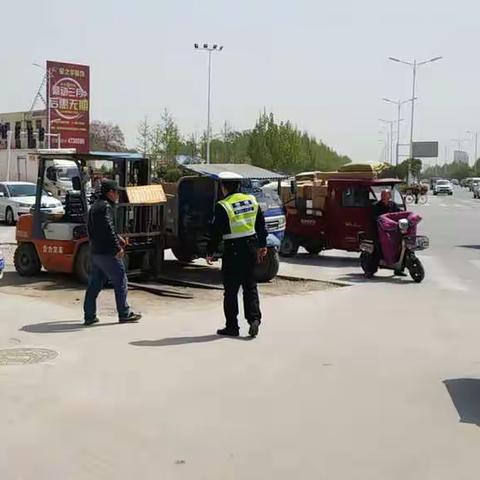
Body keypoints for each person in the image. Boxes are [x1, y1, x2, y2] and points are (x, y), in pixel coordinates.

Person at [206, 174, 268, 338]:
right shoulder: (252, 200)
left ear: (223, 187)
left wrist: (210, 251)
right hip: (251, 247)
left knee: (231, 291)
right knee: (250, 286)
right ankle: (254, 319)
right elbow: (261, 225)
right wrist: (262, 245)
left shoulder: (223, 206)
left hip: (232, 250)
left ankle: (232, 327)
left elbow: (216, 232)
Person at [83, 179, 142, 326]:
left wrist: (119, 238)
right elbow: (108, 229)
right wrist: (117, 248)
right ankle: (124, 313)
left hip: (96, 252)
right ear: (110, 192)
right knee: (121, 279)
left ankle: (89, 316)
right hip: (108, 252)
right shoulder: (106, 208)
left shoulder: (94, 207)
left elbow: (93, 229)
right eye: (116, 192)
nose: (117, 196)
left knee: (95, 284)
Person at [372, 189, 404, 275]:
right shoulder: (376, 206)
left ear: (389, 196)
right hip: (380, 232)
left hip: (393, 231)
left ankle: (399, 269)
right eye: (382, 195)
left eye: (385, 195)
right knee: (378, 248)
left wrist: (406, 215)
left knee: (402, 247)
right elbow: (375, 218)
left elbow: (400, 213)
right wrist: (382, 221)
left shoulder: (393, 205)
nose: (383, 197)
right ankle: (370, 271)